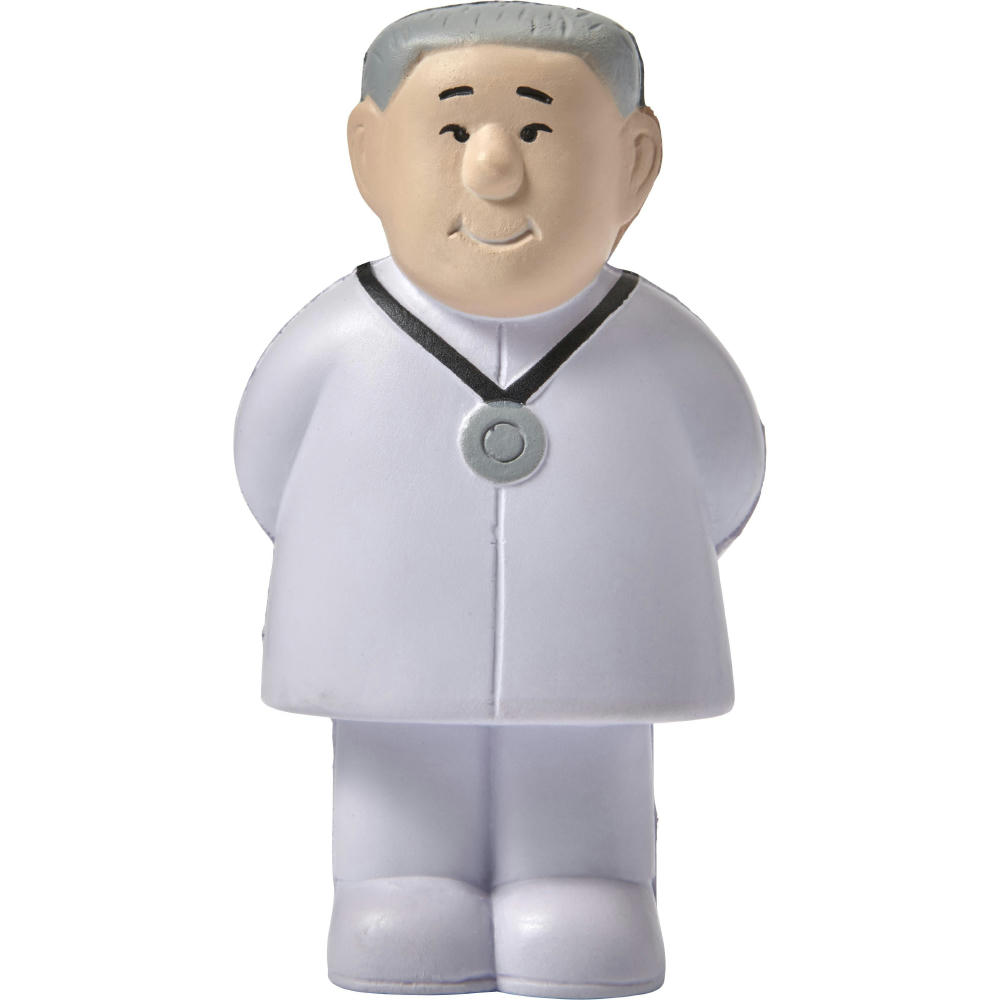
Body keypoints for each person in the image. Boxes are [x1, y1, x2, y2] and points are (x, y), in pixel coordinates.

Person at [234, 3, 765, 996]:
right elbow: (268, 466)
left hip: (593, 637)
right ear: (369, 154)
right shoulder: (338, 340)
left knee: (582, 764)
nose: (492, 169)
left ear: (634, 161)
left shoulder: (657, 346)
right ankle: (396, 884)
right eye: (450, 129)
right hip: (386, 634)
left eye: (535, 129)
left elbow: (726, 470)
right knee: (398, 770)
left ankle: (586, 883)